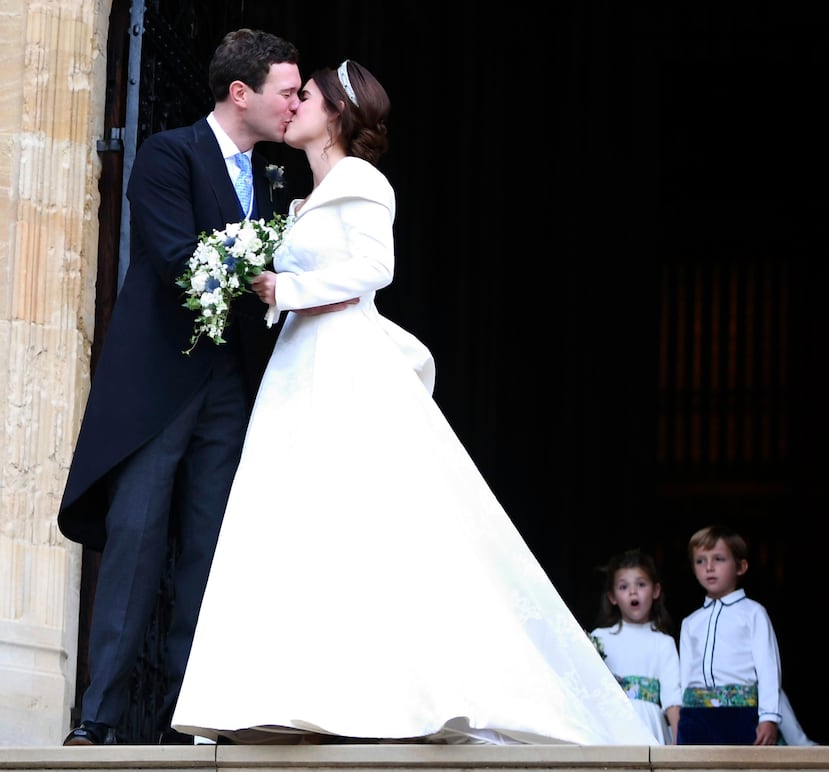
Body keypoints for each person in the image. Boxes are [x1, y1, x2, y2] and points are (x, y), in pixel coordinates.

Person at [169, 59, 658, 747]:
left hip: (341, 362)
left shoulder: (362, 180)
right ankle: (294, 694)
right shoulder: (305, 199)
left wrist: (288, 291)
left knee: (363, 518)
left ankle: (385, 697)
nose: (293, 105)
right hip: (302, 365)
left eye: (304, 95)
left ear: (336, 112)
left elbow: (376, 268)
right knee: (299, 521)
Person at [58, 29, 350, 746]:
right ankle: (99, 718)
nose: (294, 105)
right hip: (163, 382)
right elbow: (171, 255)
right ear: (240, 93)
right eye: (287, 92)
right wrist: (255, 270)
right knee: (136, 541)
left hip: (232, 386)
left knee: (211, 552)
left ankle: (196, 718)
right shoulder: (168, 154)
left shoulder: (277, 179)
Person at [677, 524, 782, 745]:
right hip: (695, 715)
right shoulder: (690, 622)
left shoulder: (753, 613)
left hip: (741, 713)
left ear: (741, 567)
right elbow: (685, 676)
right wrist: (681, 718)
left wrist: (769, 717)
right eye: (700, 561)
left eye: (719, 559)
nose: (709, 567)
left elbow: (768, 668)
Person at [589, 549, 681, 744]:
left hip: (649, 725)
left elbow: (672, 697)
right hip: (610, 726)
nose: (633, 591)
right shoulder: (600, 638)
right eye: (623, 587)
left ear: (656, 591)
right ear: (612, 597)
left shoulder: (663, 643)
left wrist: (678, 742)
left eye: (640, 584)